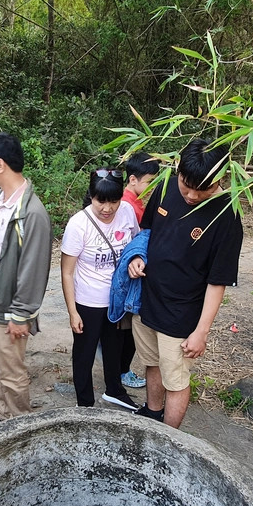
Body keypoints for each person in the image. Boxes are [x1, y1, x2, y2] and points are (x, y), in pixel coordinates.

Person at [127, 138, 242, 429]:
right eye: (186, 185)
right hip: (147, 299)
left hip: (181, 313)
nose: (191, 195)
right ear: (178, 170)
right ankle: (152, 412)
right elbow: (148, 231)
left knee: (176, 379)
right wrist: (137, 257)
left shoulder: (227, 215)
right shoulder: (166, 185)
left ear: (220, 178)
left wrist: (201, 332)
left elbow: (217, 281)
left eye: (202, 190)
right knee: (152, 362)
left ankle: (169, 437)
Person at [0, 133, 52, 421]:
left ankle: (19, 425)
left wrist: (21, 314)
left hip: (10, 309)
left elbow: (34, 269)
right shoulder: (0, 199)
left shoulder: (32, 213)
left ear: (0, 164)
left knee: (12, 371)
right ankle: (2, 409)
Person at [60, 168, 140, 410]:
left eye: (113, 201)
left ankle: (114, 390)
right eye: (100, 201)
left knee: (115, 346)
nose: (107, 208)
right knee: (84, 352)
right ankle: (85, 403)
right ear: (91, 196)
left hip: (118, 297)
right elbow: (67, 272)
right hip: (88, 300)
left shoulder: (127, 211)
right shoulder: (78, 224)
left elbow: (137, 242)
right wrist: (73, 312)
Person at [118, 152, 161, 389]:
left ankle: (121, 369)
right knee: (128, 327)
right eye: (149, 182)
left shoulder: (135, 201)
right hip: (131, 271)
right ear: (133, 179)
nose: (151, 187)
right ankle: (122, 371)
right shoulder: (127, 205)